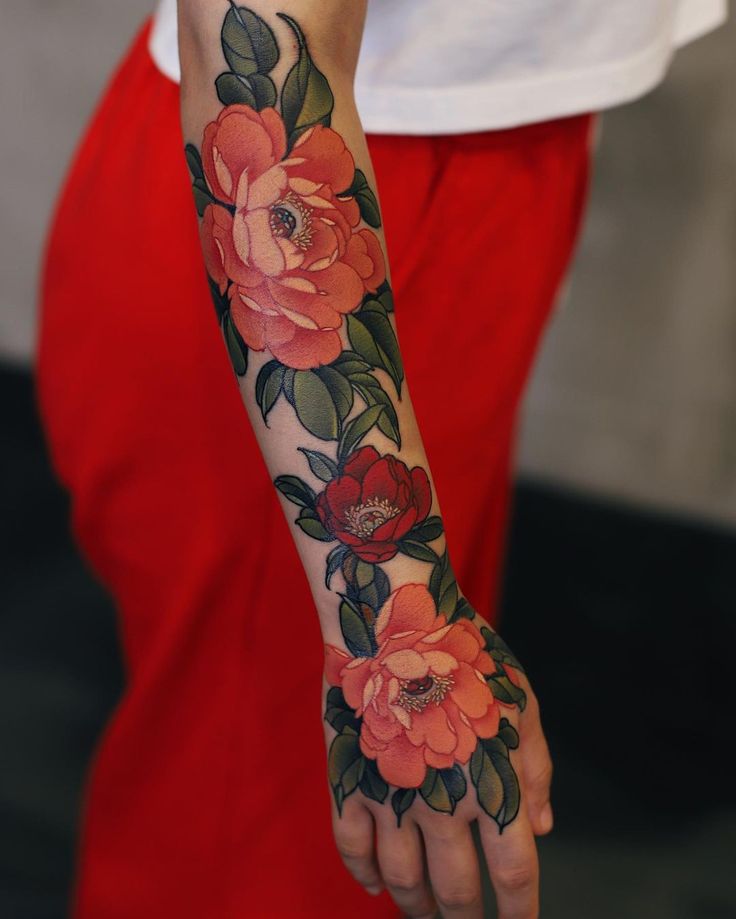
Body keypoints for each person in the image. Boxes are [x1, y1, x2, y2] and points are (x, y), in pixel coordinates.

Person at [37, 1, 725, 917]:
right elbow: (261, 35)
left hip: (459, 167)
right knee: (255, 853)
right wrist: (398, 629)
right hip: (315, 211)